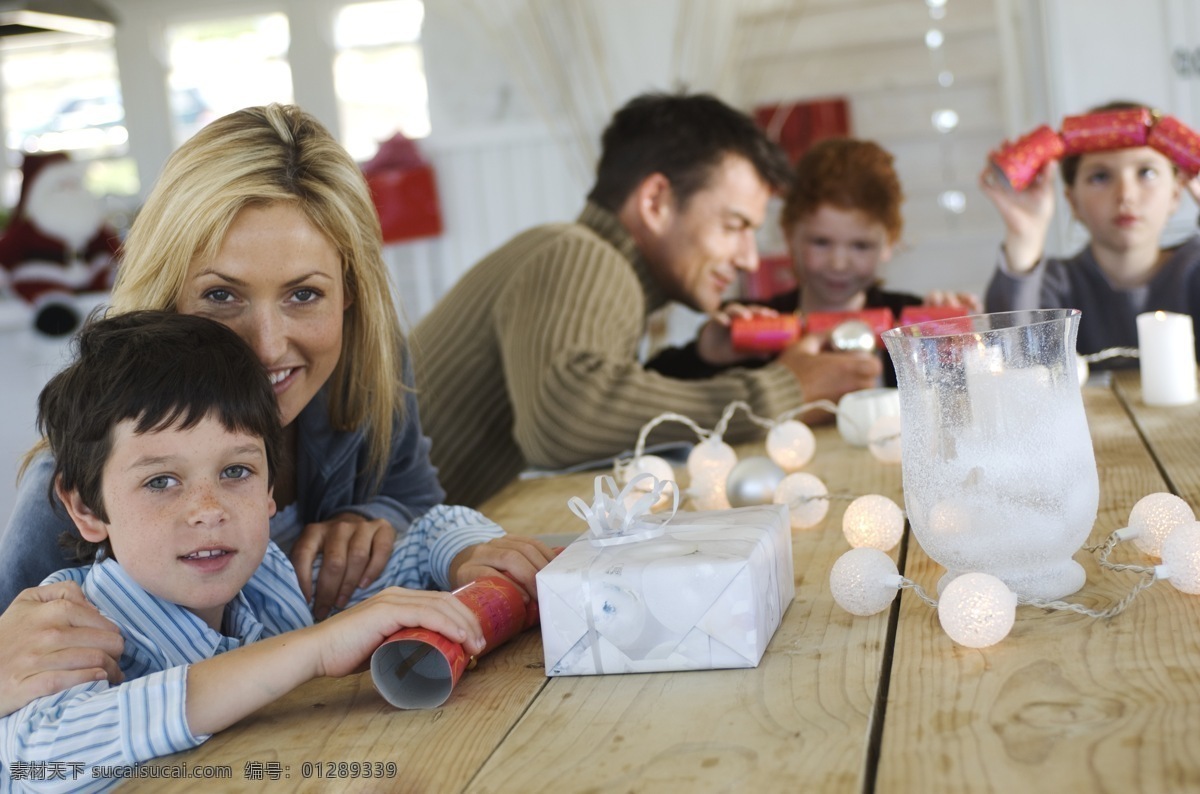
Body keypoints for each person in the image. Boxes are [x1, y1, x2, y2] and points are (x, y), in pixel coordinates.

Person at [0, 104, 552, 717]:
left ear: (349, 296)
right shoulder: (69, 484)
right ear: (163, 296)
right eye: (220, 295)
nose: (266, 346)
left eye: (304, 294)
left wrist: (376, 517)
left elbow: (416, 500)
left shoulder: (363, 365)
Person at [0, 311, 494, 787]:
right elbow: (40, 759)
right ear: (86, 507)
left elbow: (426, 542)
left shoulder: (265, 578)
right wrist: (313, 650)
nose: (208, 510)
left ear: (270, 487)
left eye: (236, 471)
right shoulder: (66, 625)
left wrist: (466, 552)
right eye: (161, 481)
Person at [412, 92, 884, 507]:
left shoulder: (581, 259)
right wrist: (783, 390)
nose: (748, 259)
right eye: (735, 226)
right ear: (655, 201)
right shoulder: (578, 253)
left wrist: (707, 357)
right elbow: (565, 420)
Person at [646, 137, 980, 386]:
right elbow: (656, 384)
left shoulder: (913, 323)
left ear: (888, 245)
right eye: (820, 242)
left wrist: (964, 346)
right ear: (789, 235)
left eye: (860, 246)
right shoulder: (750, 327)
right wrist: (706, 354)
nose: (838, 263)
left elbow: (967, 402)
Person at [980, 100, 1200, 362]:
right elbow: (1010, 360)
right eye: (1100, 177)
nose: (1125, 195)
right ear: (1073, 201)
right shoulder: (1051, 287)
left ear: (1176, 194)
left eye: (1146, 172)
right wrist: (1024, 237)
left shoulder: (1194, 270)